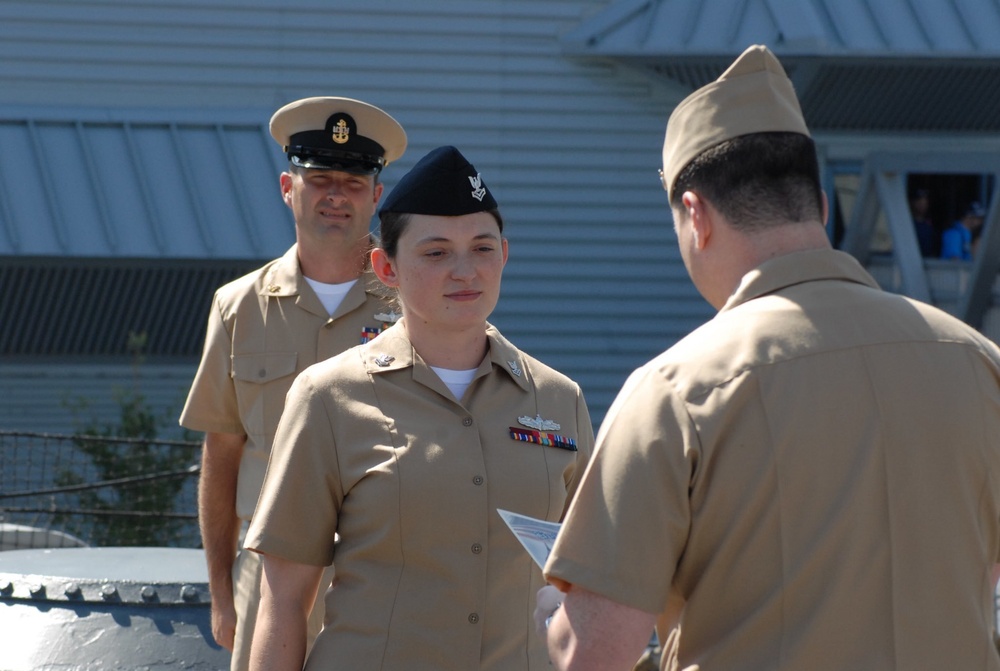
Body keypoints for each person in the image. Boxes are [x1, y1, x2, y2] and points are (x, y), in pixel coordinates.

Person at [538, 44, 1000, 670]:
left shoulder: (675, 392)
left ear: (695, 215)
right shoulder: (976, 361)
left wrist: (548, 618)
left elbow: (593, 652)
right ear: (823, 205)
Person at [243, 145, 595, 671]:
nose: (465, 271)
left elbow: (591, 577)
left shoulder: (558, 398)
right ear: (385, 266)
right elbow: (285, 600)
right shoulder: (329, 397)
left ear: (504, 254)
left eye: (481, 248)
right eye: (435, 253)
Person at [179, 96, 406, 671]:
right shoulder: (238, 308)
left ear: (377, 196)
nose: (336, 194)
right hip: (267, 569)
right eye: (320, 178)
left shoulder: (413, 306)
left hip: (382, 570)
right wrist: (222, 590)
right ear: (288, 187)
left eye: (354, 182)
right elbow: (223, 452)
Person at [910, 188, 939, 257]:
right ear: (912, 203)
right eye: (919, 201)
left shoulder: (929, 225)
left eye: (924, 202)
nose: (922, 205)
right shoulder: (908, 223)